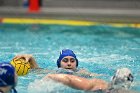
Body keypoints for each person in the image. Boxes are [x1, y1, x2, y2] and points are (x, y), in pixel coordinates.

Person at [42, 68, 134, 93]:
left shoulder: (98, 85)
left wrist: (50, 77)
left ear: (112, 79)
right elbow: (69, 79)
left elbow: (69, 79)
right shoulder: (98, 84)